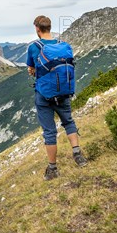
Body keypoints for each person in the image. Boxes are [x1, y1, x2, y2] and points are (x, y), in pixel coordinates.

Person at [27, 15, 88, 181]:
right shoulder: (64, 45)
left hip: (44, 95)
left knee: (49, 132)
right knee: (68, 122)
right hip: (63, 92)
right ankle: (77, 155)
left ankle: (53, 169)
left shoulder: (34, 47)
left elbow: (31, 68)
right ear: (49, 27)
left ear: (37, 29)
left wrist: (33, 71)